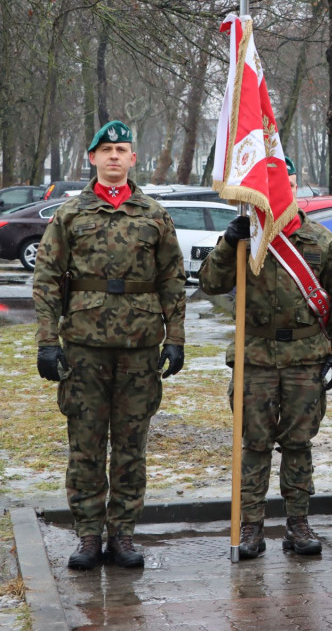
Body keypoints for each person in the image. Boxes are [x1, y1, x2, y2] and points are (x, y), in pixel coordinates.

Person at [33, 120, 186, 569]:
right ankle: (86, 535)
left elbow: (173, 280)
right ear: (92, 158)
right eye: (107, 150)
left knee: (131, 444)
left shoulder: (154, 215)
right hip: (83, 348)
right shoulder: (69, 215)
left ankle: (122, 534)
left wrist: (175, 338)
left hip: (140, 349)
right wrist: (47, 342)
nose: (115, 156)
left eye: (122, 149)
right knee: (84, 442)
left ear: (133, 159)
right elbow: (45, 280)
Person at [198, 155, 332, 559]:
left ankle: (298, 523)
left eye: (283, 183)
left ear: (296, 187)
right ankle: (250, 526)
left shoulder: (320, 240)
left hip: (305, 358)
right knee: (255, 444)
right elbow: (211, 284)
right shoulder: (245, 237)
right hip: (257, 358)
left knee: (299, 444)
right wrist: (229, 243)